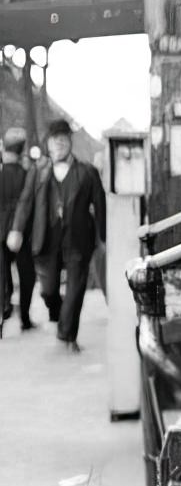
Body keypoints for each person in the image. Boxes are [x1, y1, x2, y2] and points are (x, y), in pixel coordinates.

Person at [7, 119, 106, 353]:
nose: (59, 143)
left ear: (70, 142)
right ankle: (61, 315)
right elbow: (25, 201)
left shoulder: (87, 172)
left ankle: (67, 335)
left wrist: (104, 238)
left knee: (75, 289)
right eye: (55, 139)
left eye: (63, 138)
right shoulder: (38, 172)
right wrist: (17, 229)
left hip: (79, 240)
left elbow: (100, 205)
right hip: (47, 240)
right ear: (48, 144)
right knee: (48, 290)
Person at [1, 127, 36, 332]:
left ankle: (4, 310)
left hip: (1, 232)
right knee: (27, 275)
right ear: (22, 150)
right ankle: (25, 318)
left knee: (2, 274)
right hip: (23, 232)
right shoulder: (26, 175)